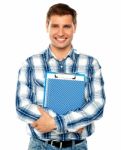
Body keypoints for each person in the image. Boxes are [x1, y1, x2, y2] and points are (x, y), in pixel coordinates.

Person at [16, 3, 106, 150]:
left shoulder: (90, 64)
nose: (60, 33)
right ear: (47, 26)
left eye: (66, 26)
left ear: (74, 27)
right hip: (40, 146)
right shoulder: (31, 64)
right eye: (55, 26)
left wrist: (54, 123)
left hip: (77, 146)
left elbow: (97, 105)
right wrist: (73, 122)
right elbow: (22, 106)